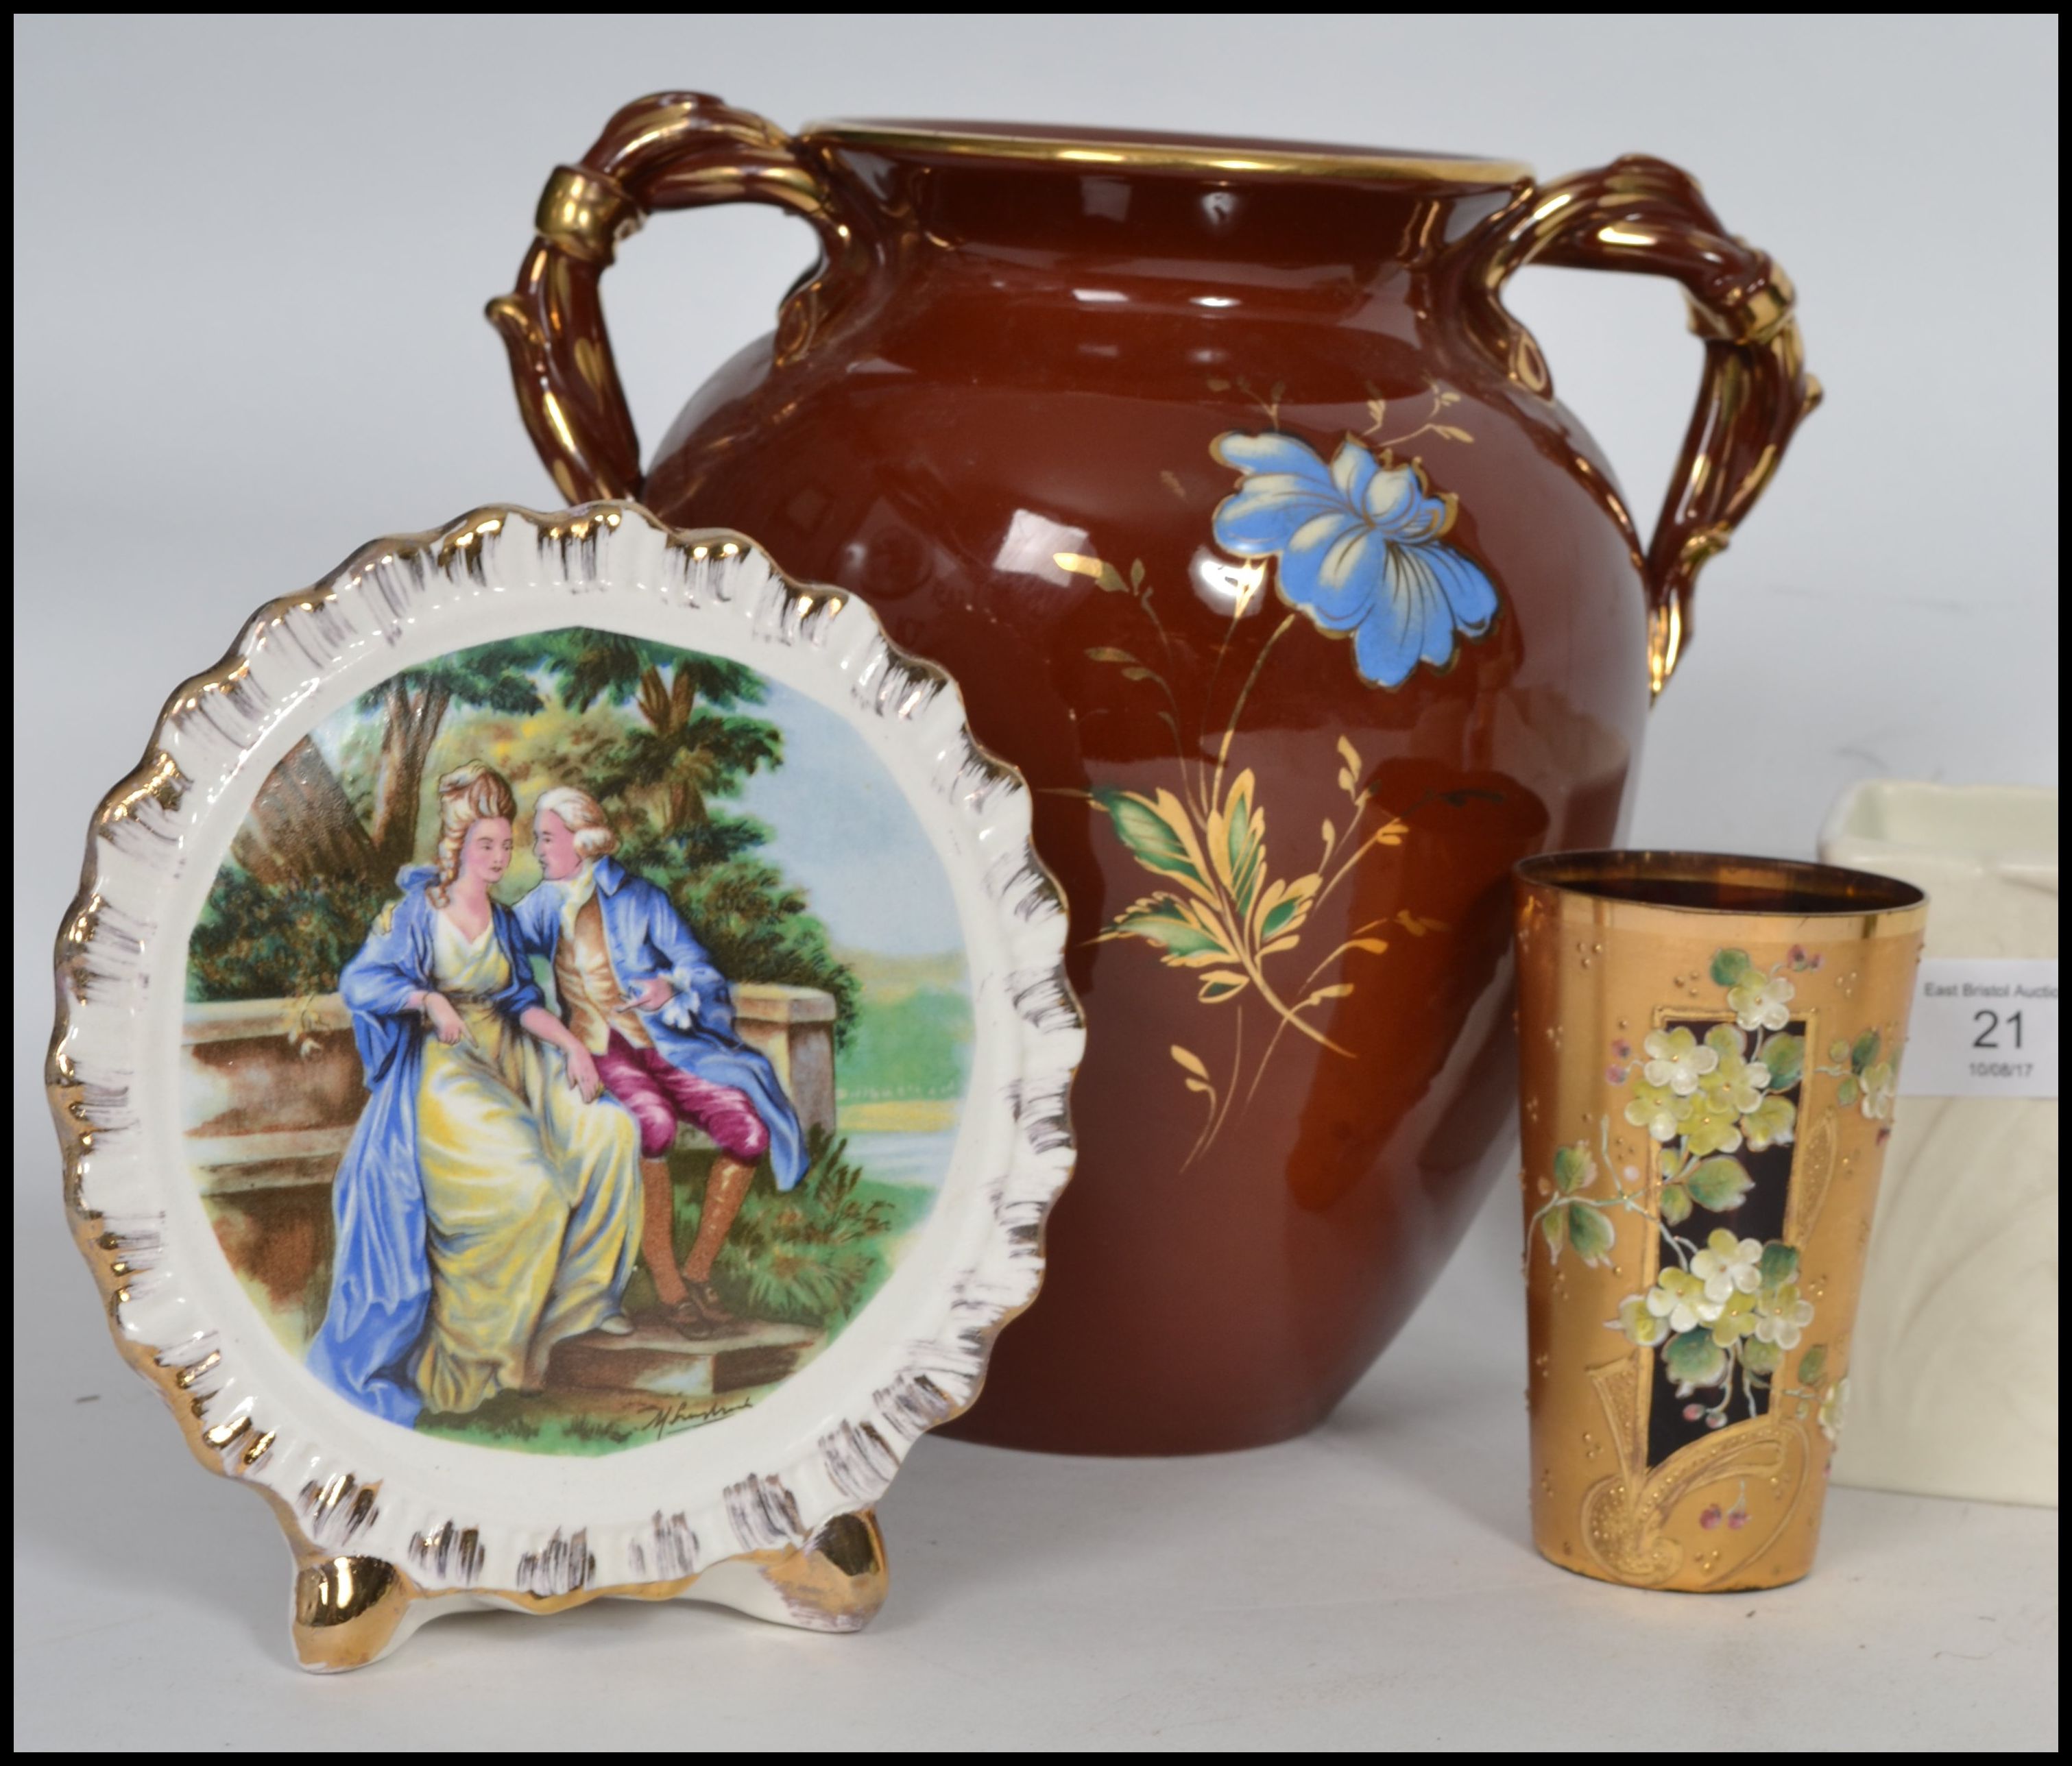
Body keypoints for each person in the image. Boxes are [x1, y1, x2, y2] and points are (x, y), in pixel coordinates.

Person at [307, 762, 640, 1425]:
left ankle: (567, 1320)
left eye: (506, 845)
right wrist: (426, 998)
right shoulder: (414, 914)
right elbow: (360, 985)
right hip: (447, 1067)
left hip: (512, 1054)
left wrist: (573, 1046)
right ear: (456, 847)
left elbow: (521, 1001)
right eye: (486, 845)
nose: (499, 856)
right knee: (533, 1192)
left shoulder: (506, 920)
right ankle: (472, 1368)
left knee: (611, 1132)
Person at [515, 784, 806, 1335]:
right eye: (537, 838)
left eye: (547, 838)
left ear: (581, 841)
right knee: (654, 1126)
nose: (538, 849)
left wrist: (668, 990)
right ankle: (670, 1287)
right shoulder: (540, 905)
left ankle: (698, 1271)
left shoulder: (642, 898)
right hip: (598, 1052)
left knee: (748, 1130)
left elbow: (700, 969)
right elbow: (492, 952)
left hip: (667, 1045)